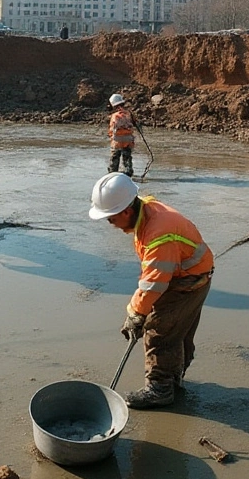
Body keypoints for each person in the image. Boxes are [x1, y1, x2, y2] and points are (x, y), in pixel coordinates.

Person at [88, 172, 213, 409]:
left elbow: (154, 282)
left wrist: (136, 314)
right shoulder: (145, 209)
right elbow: (155, 276)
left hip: (187, 282)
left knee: (159, 331)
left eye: (110, 218)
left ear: (126, 211)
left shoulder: (159, 235)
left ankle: (160, 389)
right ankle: (173, 377)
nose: (110, 224)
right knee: (178, 330)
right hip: (190, 275)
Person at [107, 93, 135, 178]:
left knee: (114, 160)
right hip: (128, 141)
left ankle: (112, 176)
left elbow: (112, 129)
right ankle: (128, 175)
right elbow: (134, 123)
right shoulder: (128, 114)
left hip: (117, 142)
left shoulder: (115, 116)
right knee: (127, 159)